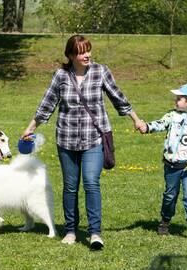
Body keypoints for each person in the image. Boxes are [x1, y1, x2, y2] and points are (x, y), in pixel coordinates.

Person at [22, 34, 144, 250]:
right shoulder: (61, 75)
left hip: (94, 138)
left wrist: (136, 119)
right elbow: (47, 104)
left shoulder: (100, 71)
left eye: (88, 50)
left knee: (90, 182)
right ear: (71, 55)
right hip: (66, 139)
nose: (86, 55)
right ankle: (70, 230)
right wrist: (31, 128)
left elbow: (118, 97)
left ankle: (95, 233)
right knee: (70, 187)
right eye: (81, 52)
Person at [138, 83, 187, 242]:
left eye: (179, 98)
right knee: (170, 195)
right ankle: (165, 220)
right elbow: (159, 124)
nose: (175, 100)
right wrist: (146, 127)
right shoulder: (171, 115)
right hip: (171, 164)